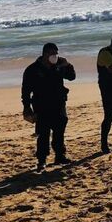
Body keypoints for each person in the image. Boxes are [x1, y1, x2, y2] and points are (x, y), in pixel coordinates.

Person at [21, 42, 76, 172]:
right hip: (41, 105)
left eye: (56, 53)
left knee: (59, 130)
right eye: (52, 53)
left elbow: (72, 77)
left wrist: (67, 65)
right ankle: (42, 160)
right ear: (44, 54)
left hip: (59, 103)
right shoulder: (32, 69)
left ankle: (60, 156)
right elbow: (25, 91)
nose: (55, 56)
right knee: (43, 133)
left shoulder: (59, 65)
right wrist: (27, 107)